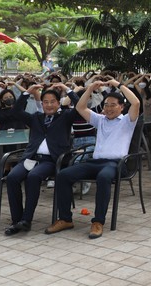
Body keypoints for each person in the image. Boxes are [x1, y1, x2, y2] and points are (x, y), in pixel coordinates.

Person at [45, 79, 140, 239]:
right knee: (63, 175)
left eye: (113, 105)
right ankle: (65, 219)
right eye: (106, 105)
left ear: (122, 107)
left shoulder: (127, 121)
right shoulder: (100, 119)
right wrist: (89, 89)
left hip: (115, 164)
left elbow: (136, 102)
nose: (108, 108)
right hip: (94, 162)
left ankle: (98, 222)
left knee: (103, 177)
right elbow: (80, 107)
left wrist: (118, 84)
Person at [3, 83, 79, 236]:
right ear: (42, 104)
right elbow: (16, 111)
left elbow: (80, 106)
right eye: (46, 102)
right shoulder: (36, 118)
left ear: (58, 103)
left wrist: (68, 90)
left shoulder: (65, 116)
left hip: (51, 160)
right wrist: (27, 92)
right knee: (12, 177)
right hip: (31, 158)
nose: (49, 105)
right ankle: (16, 220)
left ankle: (26, 219)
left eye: (52, 102)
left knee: (33, 177)